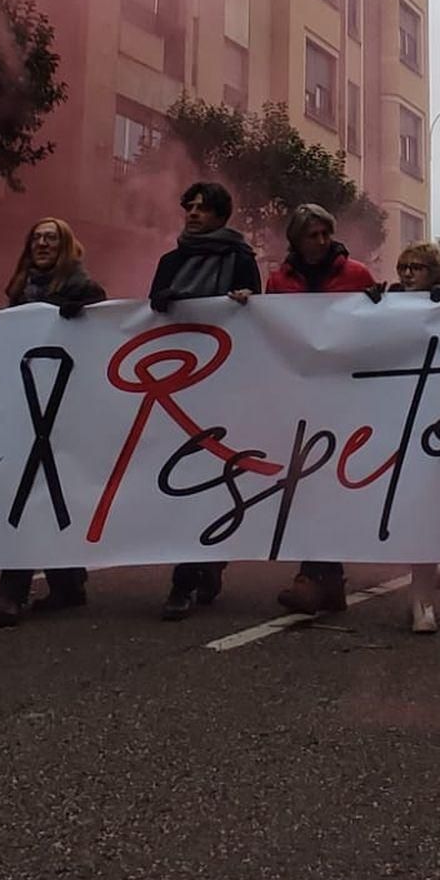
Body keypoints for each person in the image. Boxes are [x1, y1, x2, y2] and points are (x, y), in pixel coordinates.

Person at [148, 181, 262, 620]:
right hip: (174, 385)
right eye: (189, 206)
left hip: (222, 383)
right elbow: (152, 307)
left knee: (204, 475)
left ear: (221, 215)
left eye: (203, 208)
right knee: (178, 473)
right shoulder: (170, 260)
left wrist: (244, 301)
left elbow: (255, 310)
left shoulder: (239, 259)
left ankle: (186, 579)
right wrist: (164, 301)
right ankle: (205, 562)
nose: (193, 213)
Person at [0, 218, 108, 628]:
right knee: (37, 489)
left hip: (64, 403)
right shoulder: (18, 292)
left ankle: (12, 591)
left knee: (36, 489)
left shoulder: (86, 291)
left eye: (50, 238)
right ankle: (67, 583)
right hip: (25, 401)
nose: (41, 243)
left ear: (65, 246)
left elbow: (103, 339)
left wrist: (86, 315)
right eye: (36, 237)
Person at [264, 205, 379, 618]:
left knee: (326, 481)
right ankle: (327, 581)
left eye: (325, 233)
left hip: (344, 391)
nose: (321, 241)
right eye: (312, 235)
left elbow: (378, 324)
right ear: (296, 239)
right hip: (301, 391)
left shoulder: (357, 275)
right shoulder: (279, 280)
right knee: (306, 483)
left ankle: (313, 578)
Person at [383, 240, 440, 633]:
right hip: (392, 416)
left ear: (435, 271)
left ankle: (422, 596)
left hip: (437, 417)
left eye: (417, 267)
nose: (408, 273)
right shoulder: (384, 301)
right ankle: (423, 580)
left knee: (425, 502)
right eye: (403, 266)